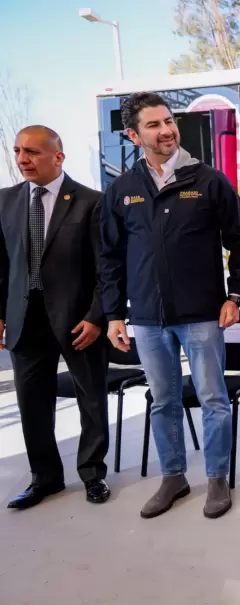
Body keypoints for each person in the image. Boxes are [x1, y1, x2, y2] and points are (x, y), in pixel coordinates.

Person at [99, 92, 240, 520]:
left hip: (202, 313)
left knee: (213, 398)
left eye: (168, 121)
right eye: (153, 125)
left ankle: (217, 478)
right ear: (133, 134)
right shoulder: (122, 190)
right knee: (162, 400)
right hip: (146, 318)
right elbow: (108, 256)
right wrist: (113, 314)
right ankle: (174, 476)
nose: (166, 130)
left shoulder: (208, 180)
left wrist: (235, 295)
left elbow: (239, 241)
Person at [0, 126, 111, 509]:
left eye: (31, 151)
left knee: (91, 399)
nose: (22, 160)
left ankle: (93, 475)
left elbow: (107, 268)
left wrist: (97, 316)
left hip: (78, 321)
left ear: (58, 157)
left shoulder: (91, 202)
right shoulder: (5, 201)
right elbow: (1, 266)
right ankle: (44, 479)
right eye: (18, 151)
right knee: (32, 403)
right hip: (24, 319)